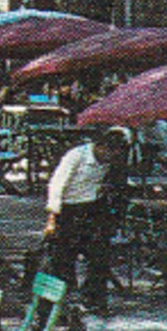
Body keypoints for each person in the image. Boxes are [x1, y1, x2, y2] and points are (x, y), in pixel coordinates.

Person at [44, 127, 130, 318]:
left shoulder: (112, 161)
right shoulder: (76, 156)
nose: (110, 158)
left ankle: (94, 300)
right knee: (63, 260)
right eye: (109, 152)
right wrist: (52, 218)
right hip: (68, 209)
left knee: (99, 256)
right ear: (99, 147)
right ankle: (61, 305)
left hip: (93, 209)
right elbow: (57, 185)